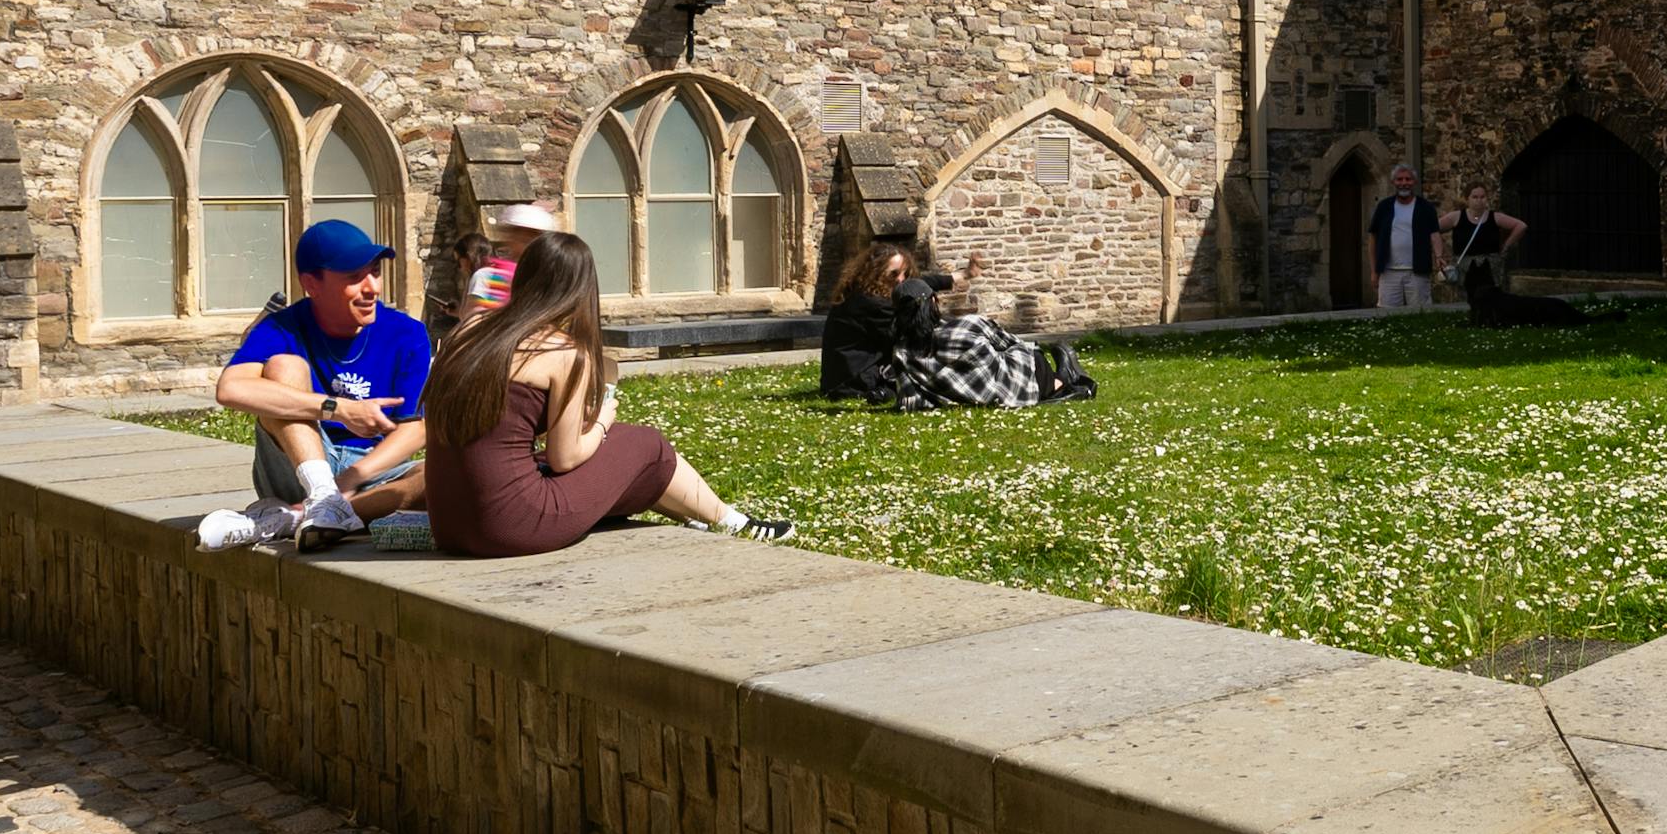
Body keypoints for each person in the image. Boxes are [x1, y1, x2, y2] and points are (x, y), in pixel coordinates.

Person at [422, 231, 788, 555]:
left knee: (625, 460)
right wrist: (602, 420)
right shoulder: (561, 351)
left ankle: (712, 518)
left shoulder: (469, 333)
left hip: (449, 525)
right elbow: (565, 458)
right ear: (581, 290)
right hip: (511, 526)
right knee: (646, 445)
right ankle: (732, 521)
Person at [203, 220, 432, 550]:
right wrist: (337, 409)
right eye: (354, 277)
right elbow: (231, 389)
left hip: (368, 474)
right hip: (296, 464)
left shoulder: (406, 334)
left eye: (375, 272)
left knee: (446, 477)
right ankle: (320, 494)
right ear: (312, 283)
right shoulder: (284, 327)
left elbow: (416, 428)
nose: (372, 288)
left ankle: (296, 518)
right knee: (285, 366)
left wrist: (349, 479)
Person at [817, 242, 1085, 409]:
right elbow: (916, 313)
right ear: (874, 275)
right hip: (858, 382)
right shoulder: (870, 304)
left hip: (862, 377)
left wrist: (962, 275)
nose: (900, 280)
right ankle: (1061, 381)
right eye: (893, 275)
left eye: (905, 274)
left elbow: (918, 288)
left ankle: (1059, 379)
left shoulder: (873, 296)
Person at [1366, 166, 1440, 310]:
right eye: (1400, 179)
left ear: (1414, 182)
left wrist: (1439, 256)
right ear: (1394, 182)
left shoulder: (1425, 207)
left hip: (1417, 272)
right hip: (1388, 272)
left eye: (1408, 179)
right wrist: (1374, 270)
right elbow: (1373, 238)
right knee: (1387, 314)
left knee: (1420, 312)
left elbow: (1434, 234)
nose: (1404, 183)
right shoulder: (1384, 207)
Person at [1441, 183, 1529, 302]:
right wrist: (1442, 250)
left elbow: (1521, 226)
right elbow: (1432, 229)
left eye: (1482, 197)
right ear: (1467, 199)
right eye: (1475, 197)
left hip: (1490, 265)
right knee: (1465, 296)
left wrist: (1506, 245)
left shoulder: (1495, 217)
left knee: (1491, 296)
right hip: (1465, 265)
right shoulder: (1456, 217)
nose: (1479, 201)